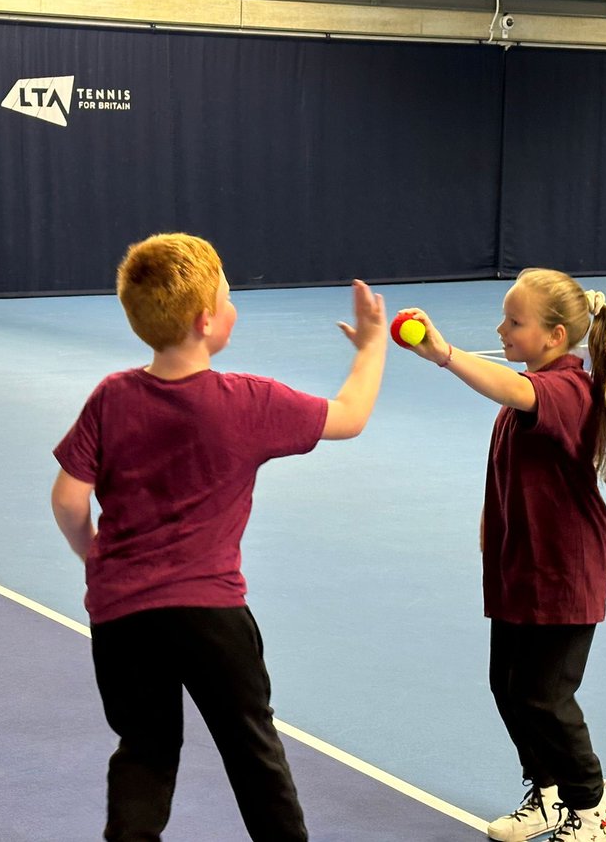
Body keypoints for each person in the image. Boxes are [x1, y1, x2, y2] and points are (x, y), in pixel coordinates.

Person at [50, 232, 387, 842]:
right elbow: (351, 415)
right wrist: (370, 348)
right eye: (229, 298)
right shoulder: (248, 401)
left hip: (122, 616)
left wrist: (93, 555)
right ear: (207, 321)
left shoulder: (111, 397)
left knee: (145, 752)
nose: (234, 307)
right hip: (211, 615)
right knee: (252, 749)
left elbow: (69, 499)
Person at [398, 268, 606, 842]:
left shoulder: (562, 390)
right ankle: (550, 793)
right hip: (519, 567)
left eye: (514, 321)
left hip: (564, 571)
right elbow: (514, 467)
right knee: (507, 687)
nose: (502, 329)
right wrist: (494, 522)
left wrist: (443, 353)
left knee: (546, 694)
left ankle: (594, 811)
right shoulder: (532, 393)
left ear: (555, 337)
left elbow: (511, 389)